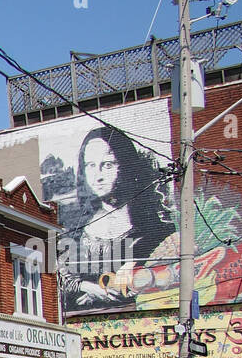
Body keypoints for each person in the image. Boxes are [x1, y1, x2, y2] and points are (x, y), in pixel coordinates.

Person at [66, 126, 174, 306]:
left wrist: (135, 266)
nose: (97, 176)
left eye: (107, 164)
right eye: (90, 165)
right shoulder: (74, 232)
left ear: (125, 166)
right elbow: (59, 276)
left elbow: (171, 270)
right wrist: (87, 287)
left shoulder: (155, 229)